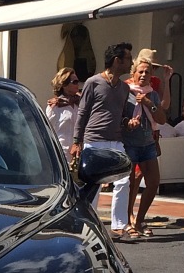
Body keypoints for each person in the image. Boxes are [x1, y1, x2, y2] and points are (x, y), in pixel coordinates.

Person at [69, 42, 135, 237]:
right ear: (117, 61)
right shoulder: (93, 82)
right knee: (94, 185)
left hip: (116, 141)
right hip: (94, 140)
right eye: (128, 58)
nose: (131, 62)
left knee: (123, 181)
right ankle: (89, 225)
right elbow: (82, 112)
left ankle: (118, 225)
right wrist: (76, 141)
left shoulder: (124, 88)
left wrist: (127, 122)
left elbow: (121, 113)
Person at [124, 57, 167, 237]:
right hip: (130, 144)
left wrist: (149, 103)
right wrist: (128, 123)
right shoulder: (126, 92)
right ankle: (127, 220)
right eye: (140, 71)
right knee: (130, 184)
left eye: (147, 72)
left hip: (148, 143)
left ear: (151, 76)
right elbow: (117, 116)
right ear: (133, 74)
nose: (143, 75)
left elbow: (162, 119)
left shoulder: (153, 94)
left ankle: (140, 219)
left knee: (153, 182)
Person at [45, 68, 81, 152]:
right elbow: (47, 132)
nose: (78, 84)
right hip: (62, 152)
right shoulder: (55, 106)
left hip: (79, 153)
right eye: (74, 82)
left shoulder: (80, 103)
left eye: (77, 81)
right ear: (64, 85)